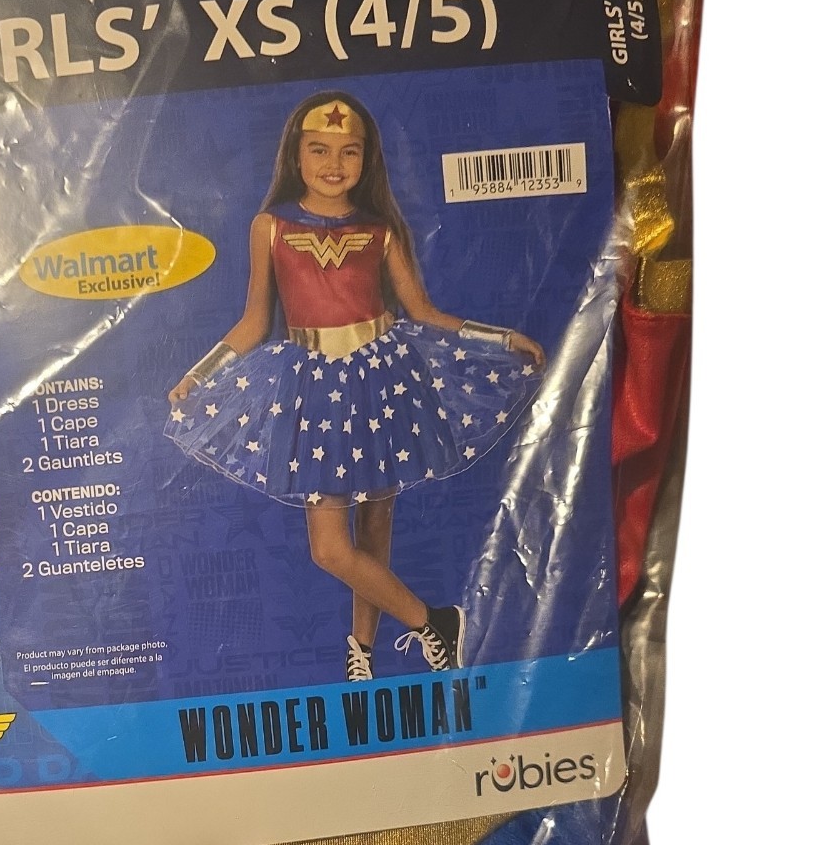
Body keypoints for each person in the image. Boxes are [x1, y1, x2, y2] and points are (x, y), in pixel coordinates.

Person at [166, 90, 545, 680]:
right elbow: (254, 321)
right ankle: (433, 621)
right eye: (319, 149)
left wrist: (500, 338)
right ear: (295, 155)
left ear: (367, 159)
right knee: (330, 549)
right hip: (313, 388)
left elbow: (423, 311)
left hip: (381, 379)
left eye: (349, 151)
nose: (334, 163)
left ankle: (361, 653)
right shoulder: (270, 226)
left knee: (374, 530)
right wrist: (200, 372)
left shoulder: (379, 229)